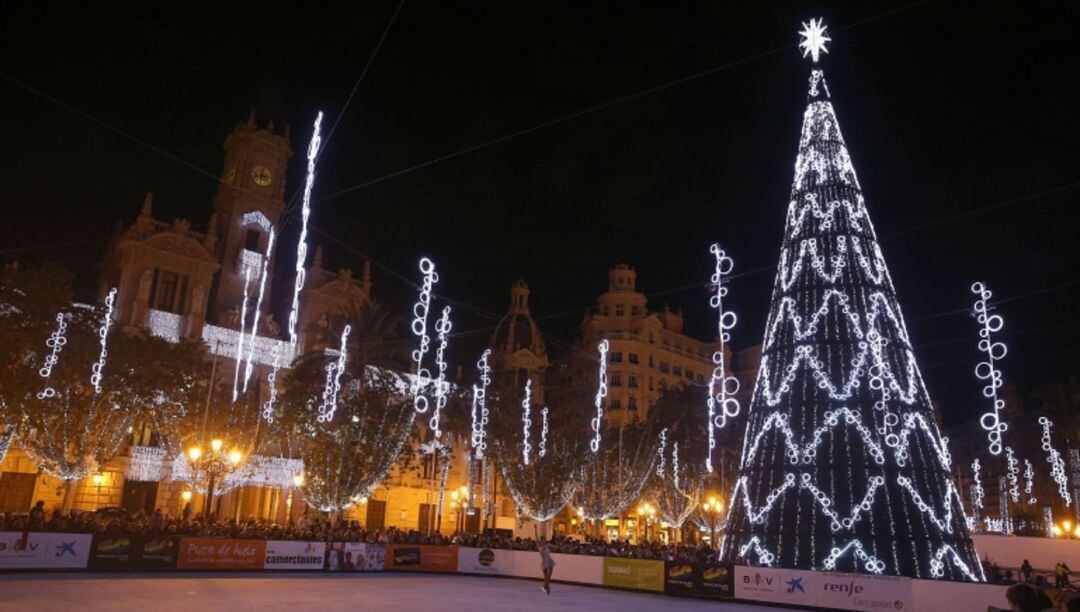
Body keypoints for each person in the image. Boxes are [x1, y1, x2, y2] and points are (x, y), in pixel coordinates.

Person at [534, 525, 555, 595]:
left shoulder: (547, 545)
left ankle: (545, 587)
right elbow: (536, 538)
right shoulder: (539, 546)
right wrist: (535, 529)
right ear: (541, 540)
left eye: (545, 540)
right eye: (544, 540)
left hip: (549, 560)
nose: (545, 541)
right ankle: (546, 588)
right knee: (546, 577)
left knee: (549, 575)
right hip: (544, 562)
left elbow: (553, 546)